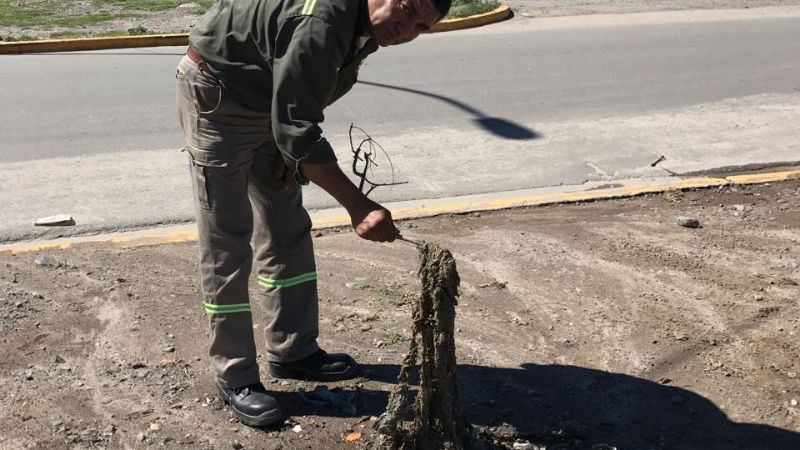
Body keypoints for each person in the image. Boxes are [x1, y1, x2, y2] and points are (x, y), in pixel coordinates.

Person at [176, 0, 450, 428]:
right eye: (407, 7)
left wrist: (291, 144)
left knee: (286, 228)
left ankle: (293, 350)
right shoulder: (323, 19)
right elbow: (298, 121)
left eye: (421, 25)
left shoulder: (369, 23)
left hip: (273, 102)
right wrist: (359, 206)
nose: (406, 27)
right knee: (227, 239)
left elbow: (301, 104)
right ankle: (236, 376)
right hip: (220, 96)